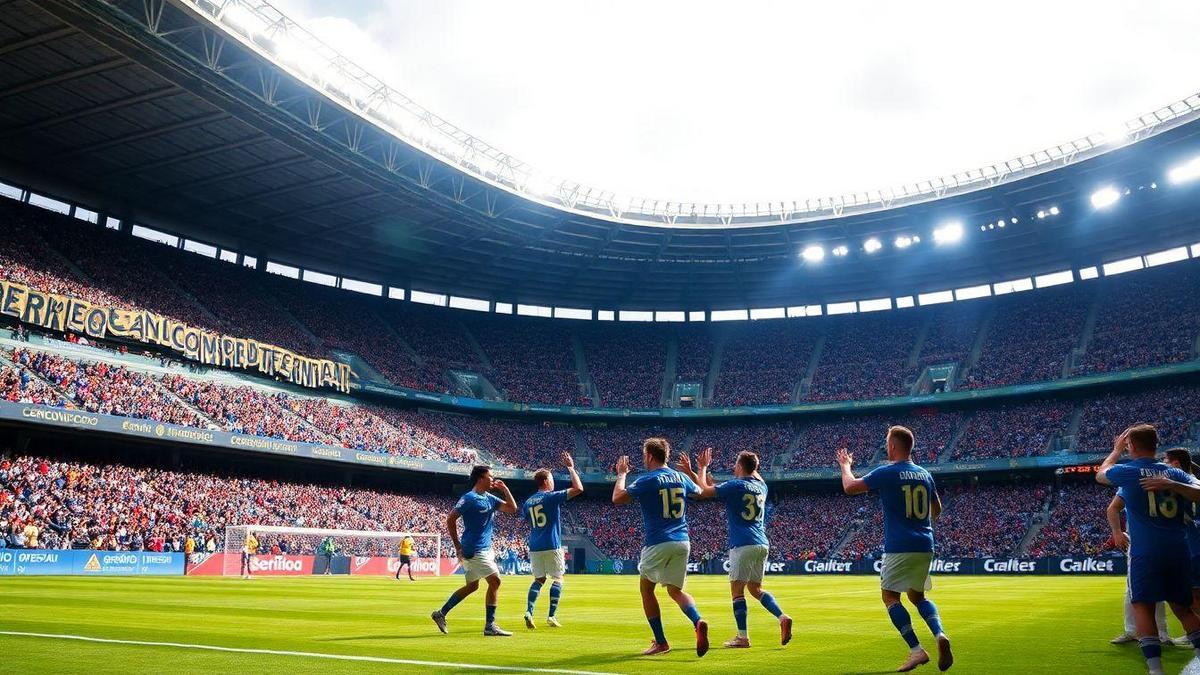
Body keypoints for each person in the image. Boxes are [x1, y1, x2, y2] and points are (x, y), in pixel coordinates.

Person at [837, 426, 953, 672]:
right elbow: (937, 509)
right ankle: (940, 634)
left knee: (890, 596)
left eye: (887, 442)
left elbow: (850, 487)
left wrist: (845, 465)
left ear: (892, 446)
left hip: (899, 545)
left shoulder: (888, 472)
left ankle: (916, 650)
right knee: (917, 596)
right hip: (925, 543)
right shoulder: (924, 474)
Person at [1102, 426, 1200, 675]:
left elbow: (1101, 474)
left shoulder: (1129, 472)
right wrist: (1172, 484)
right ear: (1156, 444)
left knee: (1143, 607)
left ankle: (1156, 670)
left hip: (1145, 551)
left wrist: (1115, 452)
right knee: (1183, 608)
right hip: (1178, 550)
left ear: (1131, 446)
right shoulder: (1174, 472)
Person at [678, 448, 792, 649]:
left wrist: (702, 467)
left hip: (743, 542)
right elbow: (713, 487)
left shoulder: (735, 485)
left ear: (740, 466)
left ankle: (742, 637)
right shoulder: (762, 486)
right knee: (755, 589)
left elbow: (704, 491)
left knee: (737, 591)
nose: (733, 467)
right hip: (761, 543)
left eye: (736, 463)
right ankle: (782, 617)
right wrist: (691, 473)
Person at [612, 437, 713, 657]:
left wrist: (621, 474)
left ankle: (661, 642)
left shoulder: (647, 479)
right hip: (682, 541)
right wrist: (692, 471)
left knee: (646, 589)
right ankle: (697, 621)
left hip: (658, 541)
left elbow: (618, 497)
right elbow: (701, 492)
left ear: (649, 455)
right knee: (675, 591)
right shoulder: (680, 478)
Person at [431, 465, 518, 636]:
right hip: (474, 549)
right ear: (480, 479)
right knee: (495, 581)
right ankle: (490, 625)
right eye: (490, 477)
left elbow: (512, 509)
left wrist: (505, 489)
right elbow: (451, 518)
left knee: (472, 586)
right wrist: (457, 547)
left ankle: (440, 614)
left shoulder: (490, 498)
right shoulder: (469, 498)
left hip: (484, 549)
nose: (492, 479)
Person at [523, 452, 584, 629]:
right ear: (546, 481)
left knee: (539, 579)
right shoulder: (551, 496)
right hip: (551, 543)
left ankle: (529, 611)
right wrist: (571, 467)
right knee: (558, 578)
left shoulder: (527, 502)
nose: (553, 481)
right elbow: (578, 488)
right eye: (551, 478)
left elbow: (529, 519)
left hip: (534, 545)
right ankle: (551, 616)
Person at [1106, 494, 1171, 646]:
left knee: (1154, 588)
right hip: (1140, 542)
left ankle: (1160, 633)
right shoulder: (1137, 479)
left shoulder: (1133, 478)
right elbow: (1113, 508)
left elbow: (1103, 475)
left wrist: (1117, 532)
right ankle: (1136, 632)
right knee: (1132, 589)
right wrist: (1117, 532)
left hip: (1158, 541)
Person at [1164, 448, 1200, 645]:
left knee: (1191, 596)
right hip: (1193, 543)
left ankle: (1195, 632)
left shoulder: (1180, 484)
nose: (1164, 465)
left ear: (1176, 464)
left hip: (1191, 546)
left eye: (1166, 461)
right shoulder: (1193, 480)